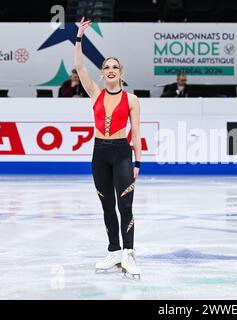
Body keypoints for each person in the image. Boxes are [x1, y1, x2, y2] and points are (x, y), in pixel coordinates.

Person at [75, 17, 141, 278]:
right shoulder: (95, 93)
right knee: (106, 206)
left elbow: (136, 134)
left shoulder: (132, 99)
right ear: (102, 73)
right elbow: (79, 67)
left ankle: (129, 253)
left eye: (115, 67)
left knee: (125, 206)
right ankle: (114, 251)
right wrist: (79, 37)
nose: (111, 70)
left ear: (121, 73)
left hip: (122, 154)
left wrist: (138, 163)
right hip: (99, 153)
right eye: (106, 67)